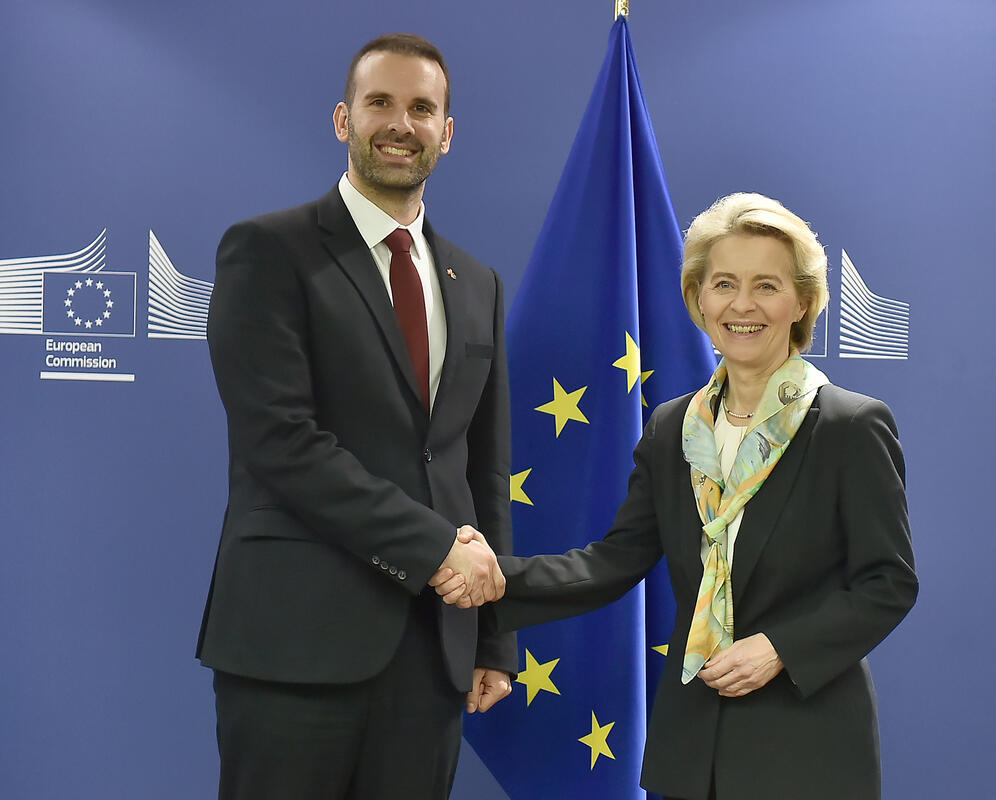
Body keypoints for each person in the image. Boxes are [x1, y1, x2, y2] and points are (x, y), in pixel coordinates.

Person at [433, 192, 918, 799]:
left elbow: (887, 583)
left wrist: (780, 649)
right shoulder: (672, 429)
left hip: (807, 744)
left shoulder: (850, 426)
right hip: (692, 748)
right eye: (724, 284)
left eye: (766, 286)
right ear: (698, 299)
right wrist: (488, 580)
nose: (742, 305)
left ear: (801, 302)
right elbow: (611, 564)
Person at [196, 33, 515, 800]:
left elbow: (482, 468)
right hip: (293, 648)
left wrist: (494, 636)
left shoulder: (477, 283)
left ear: (446, 132)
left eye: (421, 108)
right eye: (380, 103)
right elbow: (281, 443)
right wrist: (436, 549)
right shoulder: (268, 251)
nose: (400, 124)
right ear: (344, 120)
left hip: (432, 653)